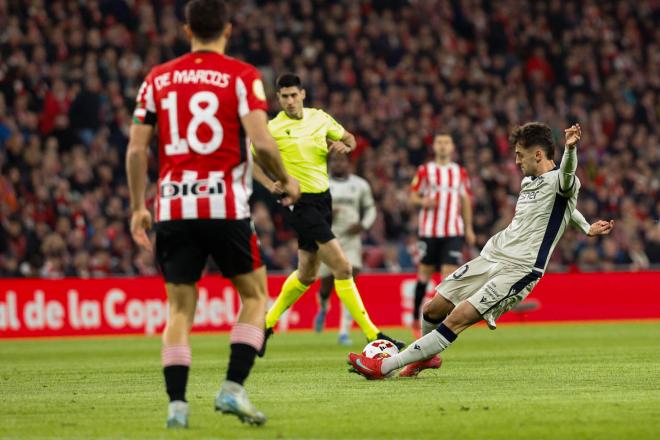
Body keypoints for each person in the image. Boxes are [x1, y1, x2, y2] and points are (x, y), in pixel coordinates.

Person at [126, 0, 299, 428]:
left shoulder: (158, 78)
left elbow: (135, 149)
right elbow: (260, 143)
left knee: (180, 310)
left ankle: (177, 408)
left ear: (187, 30)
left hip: (172, 206)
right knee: (256, 296)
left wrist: (136, 208)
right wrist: (286, 180)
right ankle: (233, 387)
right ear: (228, 29)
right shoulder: (242, 77)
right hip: (225, 207)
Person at [348, 122, 614, 379]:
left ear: (538, 154)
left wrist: (570, 149)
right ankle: (425, 357)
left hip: (520, 268)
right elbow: (567, 206)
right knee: (432, 309)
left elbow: (567, 180)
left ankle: (384, 367)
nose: (517, 162)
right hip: (491, 256)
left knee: (457, 318)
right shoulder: (529, 182)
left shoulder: (563, 179)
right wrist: (585, 227)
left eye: (520, 156)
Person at [252, 73, 404, 356]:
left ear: (303, 94)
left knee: (307, 274)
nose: (290, 101)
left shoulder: (319, 118)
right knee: (343, 268)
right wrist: (269, 184)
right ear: (278, 99)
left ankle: (265, 326)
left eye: (293, 95)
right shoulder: (273, 128)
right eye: (284, 96)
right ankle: (375, 335)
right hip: (301, 203)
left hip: (324, 199)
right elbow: (252, 159)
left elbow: (350, 139)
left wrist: (345, 146)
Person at [410, 133, 475, 338]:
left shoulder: (459, 172)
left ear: (452, 146)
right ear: (434, 147)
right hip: (429, 231)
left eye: (447, 142)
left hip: (453, 231)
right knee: (424, 275)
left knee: (448, 277)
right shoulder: (425, 170)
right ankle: (414, 318)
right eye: (439, 142)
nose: (443, 146)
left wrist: (469, 228)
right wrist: (423, 202)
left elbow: (465, 200)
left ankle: (443, 320)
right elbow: (413, 195)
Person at [313, 152, 377, 345]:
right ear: (330, 164)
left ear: (348, 163)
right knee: (326, 284)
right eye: (334, 161)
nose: (338, 164)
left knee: (351, 279)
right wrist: (327, 212)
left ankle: (343, 332)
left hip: (351, 239)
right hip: (327, 238)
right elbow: (311, 210)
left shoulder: (360, 185)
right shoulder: (321, 183)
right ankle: (324, 306)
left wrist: (363, 225)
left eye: (342, 160)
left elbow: (371, 208)